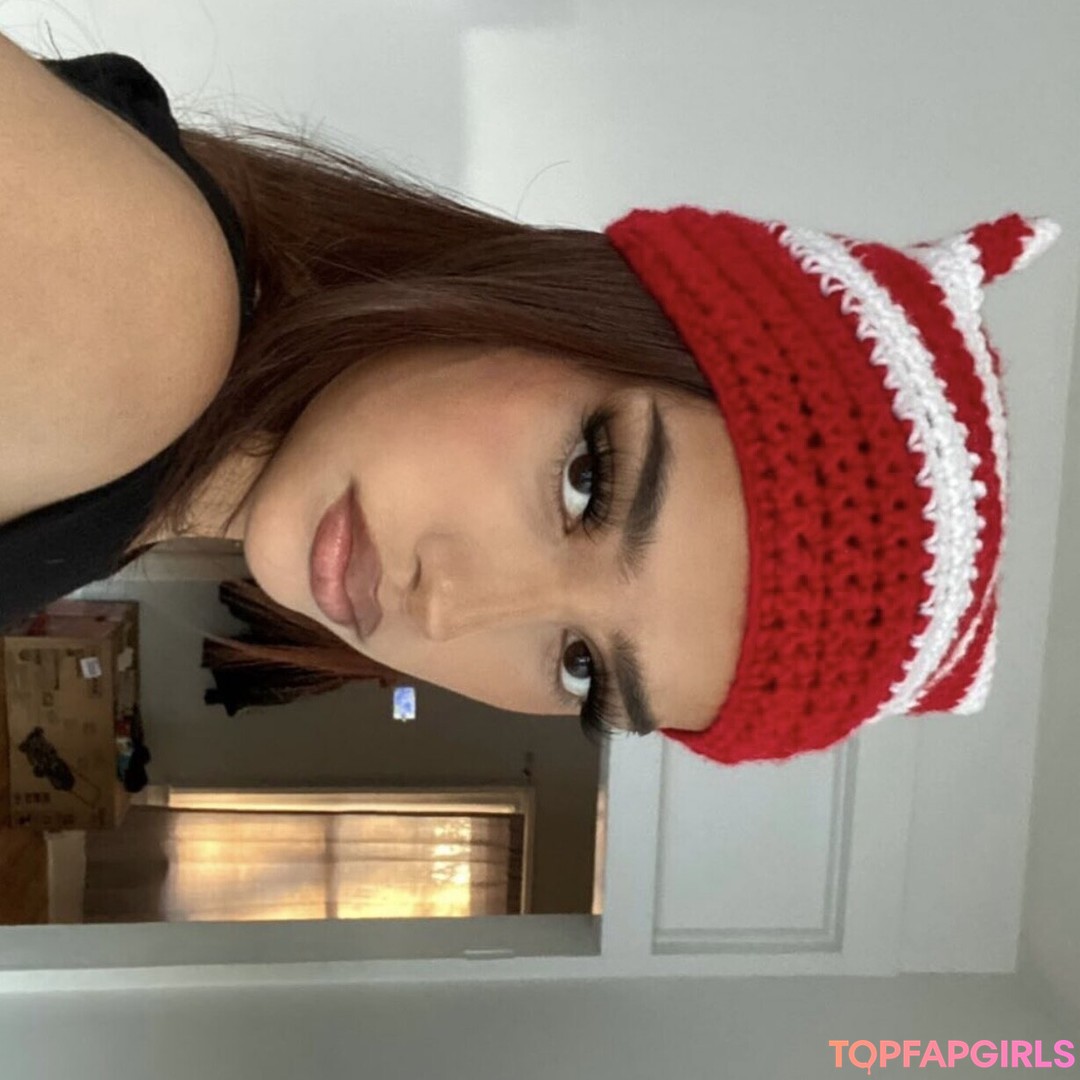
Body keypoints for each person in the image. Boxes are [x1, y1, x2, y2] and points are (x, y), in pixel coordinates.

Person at [0, 39, 1060, 766]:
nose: (450, 606)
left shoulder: (137, 473)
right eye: (588, 482)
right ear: (569, 307)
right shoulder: (142, 326)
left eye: (581, 666)